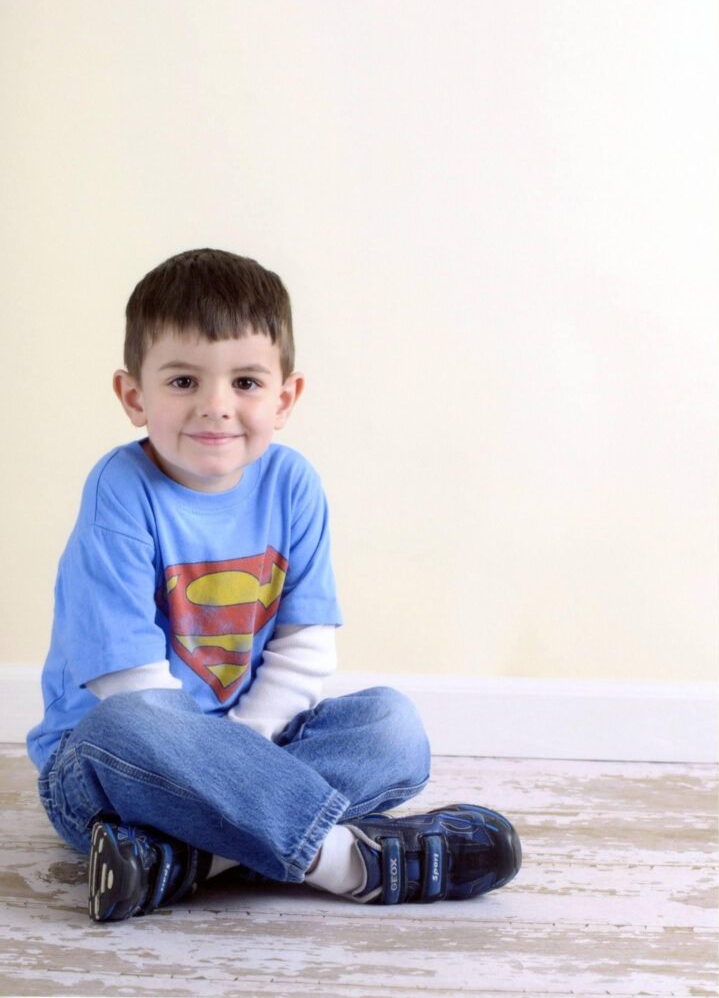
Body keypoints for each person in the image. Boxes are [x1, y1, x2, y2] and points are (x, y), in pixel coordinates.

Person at [26, 248, 521, 922]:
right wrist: (225, 775)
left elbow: (305, 651)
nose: (215, 407)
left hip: (255, 740)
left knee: (391, 729)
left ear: (285, 398)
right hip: (114, 770)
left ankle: (187, 860)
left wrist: (240, 766)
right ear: (133, 396)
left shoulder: (292, 485)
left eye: (246, 383)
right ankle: (348, 864)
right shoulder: (121, 489)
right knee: (130, 723)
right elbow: (128, 685)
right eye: (181, 382)